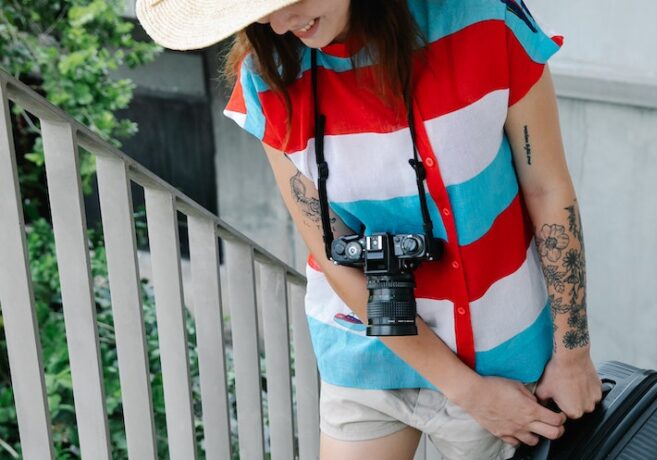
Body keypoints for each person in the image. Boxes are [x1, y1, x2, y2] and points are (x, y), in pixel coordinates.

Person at [137, 0, 603, 458]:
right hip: (364, 349)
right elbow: (331, 253)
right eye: (257, 10)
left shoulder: (486, 21)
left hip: (501, 355)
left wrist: (573, 356)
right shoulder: (268, 78)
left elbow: (548, 190)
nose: (282, 22)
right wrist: (468, 392)